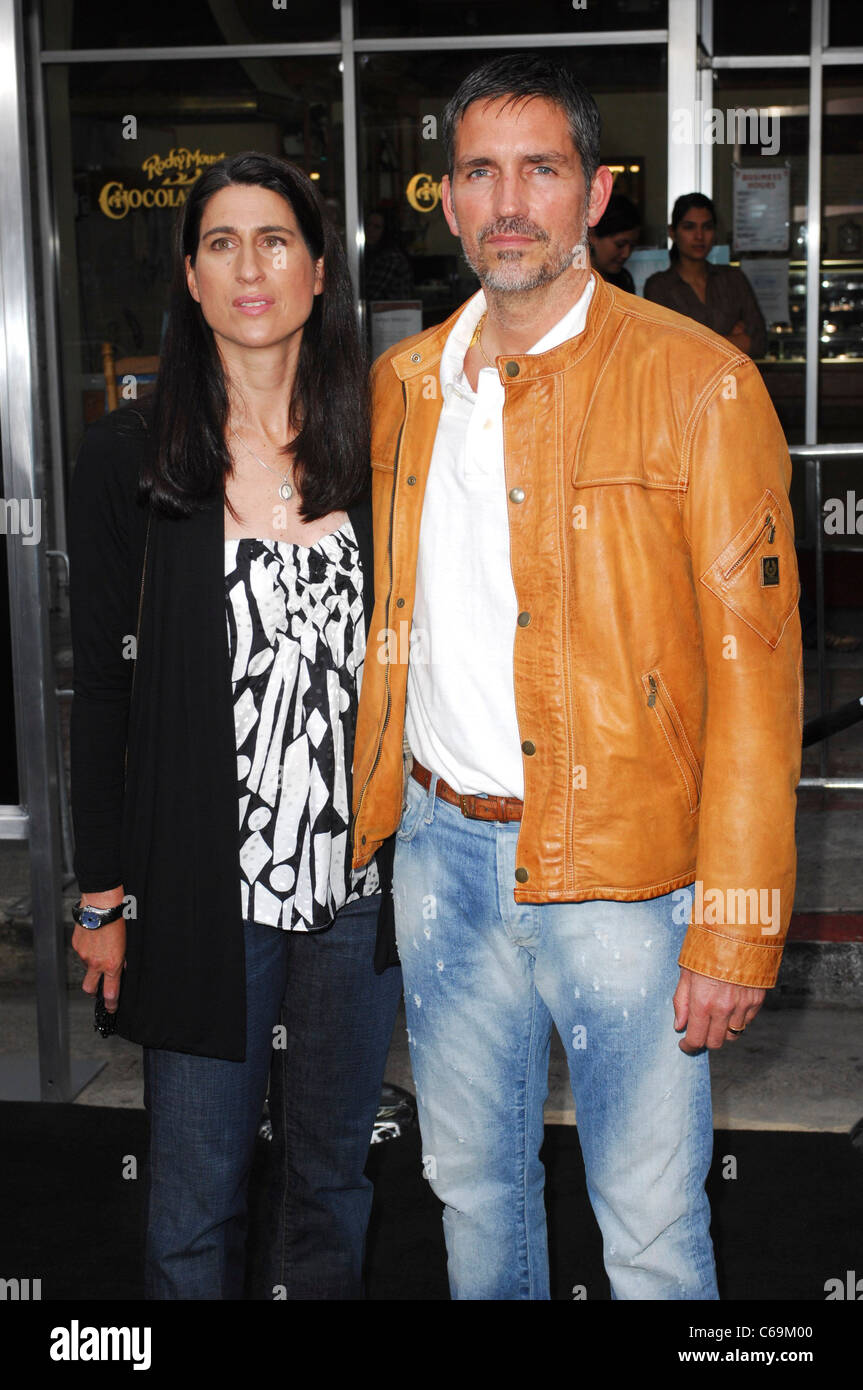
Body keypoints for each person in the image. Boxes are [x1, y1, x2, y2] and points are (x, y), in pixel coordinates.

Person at [352, 55, 802, 1301]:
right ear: (442, 201)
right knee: (471, 1195)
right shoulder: (402, 390)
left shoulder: (697, 382)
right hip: (441, 858)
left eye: (540, 169)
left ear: (595, 193)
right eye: (479, 171)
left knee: (649, 1228)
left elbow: (757, 684)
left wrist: (735, 922)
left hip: (625, 871)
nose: (509, 201)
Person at [69, 152, 402, 1300]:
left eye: (273, 240)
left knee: (331, 1180)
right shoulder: (131, 458)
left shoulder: (382, 448)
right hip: (202, 895)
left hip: (354, 896)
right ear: (191, 279)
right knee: (193, 1196)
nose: (249, 265)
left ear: (318, 271)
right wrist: (102, 895)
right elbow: (103, 691)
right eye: (221, 242)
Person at [643, 192, 767, 357]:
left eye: (707, 227)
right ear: (672, 232)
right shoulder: (659, 286)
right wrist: (734, 341)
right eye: (689, 227)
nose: (699, 236)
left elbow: (759, 343)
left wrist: (694, 345)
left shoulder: (733, 278)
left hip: (732, 382)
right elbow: (668, 352)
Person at [588, 191, 640, 291]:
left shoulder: (624, 280)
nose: (626, 254)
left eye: (632, 246)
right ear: (592, 235)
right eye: (620, 245)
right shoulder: (574, 285)